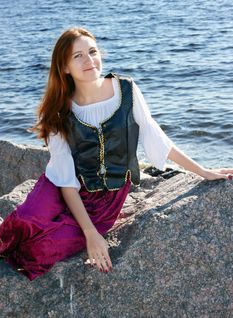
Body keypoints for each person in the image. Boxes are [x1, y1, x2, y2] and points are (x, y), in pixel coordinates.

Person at [0, 27, 232, 281]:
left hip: (105, 199)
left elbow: (157, 138)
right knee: (25, 220)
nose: (89, 60)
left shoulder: (126, 90)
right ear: (64, 67)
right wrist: (90, 233)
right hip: (61, 186)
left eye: (92, 51)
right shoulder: (59, 110)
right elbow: (66, 180)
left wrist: (203, 171)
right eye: (77, 56)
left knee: (41, 250)